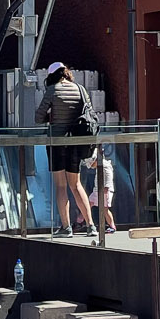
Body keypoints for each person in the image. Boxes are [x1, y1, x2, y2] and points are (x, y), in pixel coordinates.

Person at [36, 61, 96, 235]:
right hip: (75, 143)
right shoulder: (80, 89)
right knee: (76, 185)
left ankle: (66, 227)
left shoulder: (52, 90)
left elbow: (38, 117)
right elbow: (89, 113)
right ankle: (91, 225)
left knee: (61, 186)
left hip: (57, 142)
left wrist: (52, 117)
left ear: (52, 76)